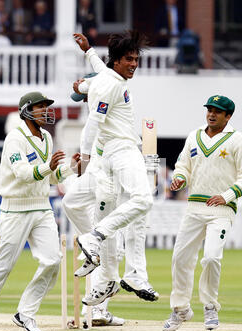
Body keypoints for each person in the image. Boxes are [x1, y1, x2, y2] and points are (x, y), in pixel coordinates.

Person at [0, 91, 78, 331]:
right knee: (4, 265)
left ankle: (26, 313)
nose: (46, 111)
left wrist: (70, 168)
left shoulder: (47, 138)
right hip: (14, 208)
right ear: (27, 110)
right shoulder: (15, 139)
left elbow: (50, 177)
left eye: (46, 107)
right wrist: (48, 167)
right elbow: (22, 173)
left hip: (41, 207)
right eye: (41, 107)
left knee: (53, 260)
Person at [72, 32, 154, 306]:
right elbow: (92, 124)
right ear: (116, 61)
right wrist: (83, 159)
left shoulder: (110, 77)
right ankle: (94, 238)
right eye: (129, 59)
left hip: (110, 156)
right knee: (143, 200)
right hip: (121, 151)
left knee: (123, 211)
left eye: (136, 59)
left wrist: (88, 52)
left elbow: (100, 71)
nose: (134, 64)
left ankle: (116, 278)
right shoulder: (110, 86)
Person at [163, 95, 242, 331]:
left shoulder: (237, 140)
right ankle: (180, 309)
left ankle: (210, 306)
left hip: (221, 209)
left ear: (228, 116)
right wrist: (179, 178)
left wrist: (227, 196)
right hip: (194, 207)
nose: (211, 114)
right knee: (180, 258)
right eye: (209, 110)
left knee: (212, 257)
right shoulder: (195, 136)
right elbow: (183, 165)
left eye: (217, 111)